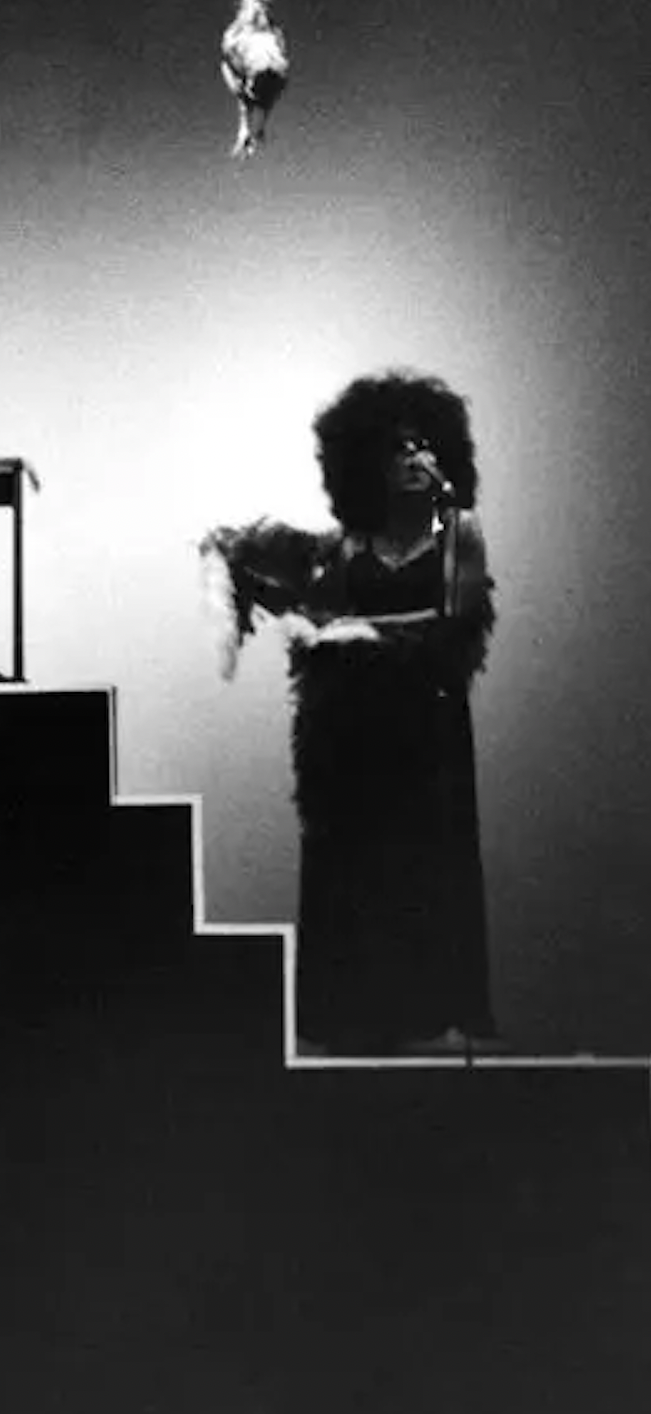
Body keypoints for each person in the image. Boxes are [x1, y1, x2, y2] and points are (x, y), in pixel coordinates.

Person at [202, 370, 499, 1057]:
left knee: (423, 869)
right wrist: (238, 595)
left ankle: (424, 1021)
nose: (416, 461)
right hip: (354, 740)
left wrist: (354, 632)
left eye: (426, 446)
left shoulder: (459, 534)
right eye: (398, 449)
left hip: (425, 739)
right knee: (355, 871)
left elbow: (457, 627)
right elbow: (265, 570)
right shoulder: (345, 546)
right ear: (366, 461)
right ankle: (354, 1022)